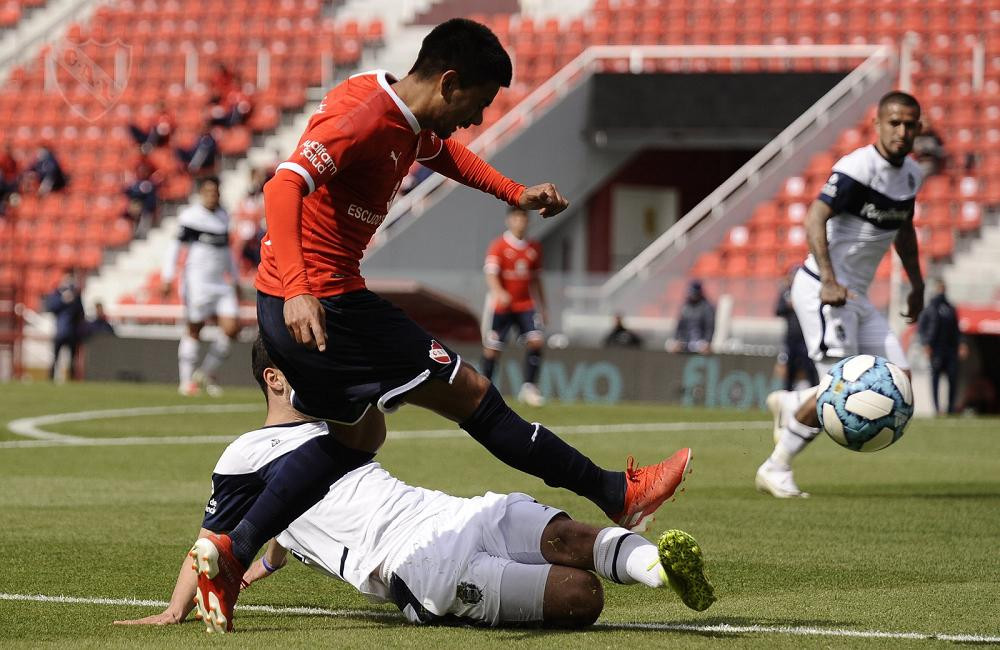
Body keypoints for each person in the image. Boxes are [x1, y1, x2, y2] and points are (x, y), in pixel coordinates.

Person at [196, 18, 693, 632]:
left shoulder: (407, 121)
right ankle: (616, 493)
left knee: (358, 438)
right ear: (449, 82)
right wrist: (300, 289)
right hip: (323, 301)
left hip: (303, 303)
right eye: (478, 104)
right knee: (475, 396)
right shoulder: (362, 117)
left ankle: (231, 550)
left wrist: (514, 192)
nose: (477, 119)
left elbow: (446, 153)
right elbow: (283, 187)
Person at [114, 338, 715, 632]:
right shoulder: (246, 453)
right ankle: (637, 564)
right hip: (416, 568)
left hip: (451, 512)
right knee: (583, 599)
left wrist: (263, 564)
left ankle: (662, 569)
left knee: (563, 532)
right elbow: (214, 536)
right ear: (275, 377)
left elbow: (285, 527)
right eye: (306, 365)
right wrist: (176, 605)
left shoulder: (339, 428)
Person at [756, 91, 926, 498]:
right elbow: (815, 216)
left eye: (910, 125)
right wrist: (829, 280)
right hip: (822, 288)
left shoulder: (911, 176)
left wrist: (918, 284)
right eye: (895, 123)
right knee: (839, 389)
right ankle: (775, 467)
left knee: (899, 378)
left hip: (858, 298)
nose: (902, 132)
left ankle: (792, 402)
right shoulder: (857, 168)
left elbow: (904, 229)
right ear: (878, 125)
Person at [161, 176, 241, 397]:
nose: (212, 195)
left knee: (232, 328)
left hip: (220, 283)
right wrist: (167, 277)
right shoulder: (190, 217)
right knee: (195, 329)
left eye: (215, 192)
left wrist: (234, 279)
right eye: (207, 191)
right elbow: (175, 248)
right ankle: (185, 382)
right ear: (201, 193)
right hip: (197, 282)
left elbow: (227, 253)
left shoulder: (224, 216)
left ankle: (205, 372)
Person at [481, 206, 547, 406]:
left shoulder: (534, 248)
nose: (521, 221)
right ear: (509, 220)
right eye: (517, 217)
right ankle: (485, 389)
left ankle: (529, 387)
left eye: (524, 217)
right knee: (492, 349)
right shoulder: (499, 245)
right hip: (502, 307)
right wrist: (499, 292)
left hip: (525, 305)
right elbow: (490, 273)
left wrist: (544, 307)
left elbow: (536, 280)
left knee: (536, 342)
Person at [918, 278, 962, 415]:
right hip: (936, 349)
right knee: (935, 378)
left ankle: (950, 408)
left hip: (950, 349)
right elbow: (922, 328)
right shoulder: (930, 308)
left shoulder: (950, 308)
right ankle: (937, 409)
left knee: (952, 378)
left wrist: (961, 343)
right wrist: (926, 343)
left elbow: (956, 329)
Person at [774, 267, 818, 391]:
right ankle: (787, 397)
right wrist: (789, 306)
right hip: (791, 338)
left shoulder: (810, 293)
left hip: (808, 338)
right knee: (789, 371)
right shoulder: (786, 292)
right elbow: (778, 310)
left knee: (811, 370)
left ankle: (814, 399)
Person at [43, 268, 85, 380]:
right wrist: (63, 300)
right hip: (60, 331)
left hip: (72, 332)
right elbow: (50, 307)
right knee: (55, 357)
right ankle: (51, 378)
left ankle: (72, 379)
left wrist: (73, 299)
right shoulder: (57, 293)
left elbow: (81, 312)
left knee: (72, 359)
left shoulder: (76, 295)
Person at [666, 280, 714, 354]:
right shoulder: (685, 307)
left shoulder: (707, 307)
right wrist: (677, 339)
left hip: (700, 341)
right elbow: (679, 326)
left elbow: (709, 327)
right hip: (685, 340)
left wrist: (707, 341)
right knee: (670, 345)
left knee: (704, 348)